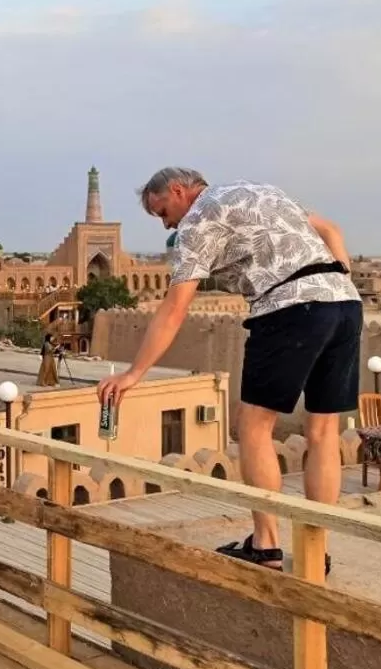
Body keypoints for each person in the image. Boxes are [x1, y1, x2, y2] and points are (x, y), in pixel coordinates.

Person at [98, 167, 359, 573]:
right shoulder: (257, 189)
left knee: (254, 425)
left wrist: (134, 374)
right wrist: (340, 277)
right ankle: (314, 551)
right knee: (324, 430)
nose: (167, 222)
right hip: (344, 305)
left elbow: (174, 310)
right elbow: (331, 228)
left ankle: (266, 545)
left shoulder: (198, 220)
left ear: (179, 191)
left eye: (163, 210)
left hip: (290, 311)